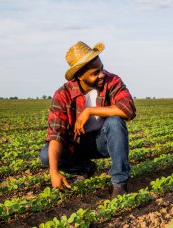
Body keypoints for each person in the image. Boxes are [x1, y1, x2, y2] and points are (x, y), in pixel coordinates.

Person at [39, 41, 136, 199]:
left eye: (102, 68)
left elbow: (128, 109)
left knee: (115, 121)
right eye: (95, 73)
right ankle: (85, 168)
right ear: (79, 76)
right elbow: (56, 134)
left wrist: (89, 111)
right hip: (76, 145)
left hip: (104, 142)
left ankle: (119, 183)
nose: (102, 74)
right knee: (46, 155)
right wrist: (54, 173)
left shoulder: (111, 81)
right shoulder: (63, 95)